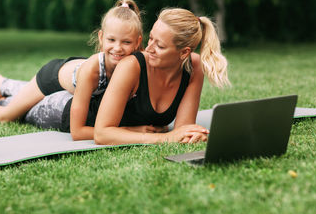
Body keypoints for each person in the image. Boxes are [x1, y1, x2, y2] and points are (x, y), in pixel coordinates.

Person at [0, 0, 143, 141]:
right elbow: (77, 132)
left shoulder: (136, 64)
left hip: (71, 78)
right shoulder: (92, 71)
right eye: (111, 40)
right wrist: (131, 132)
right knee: (6, 116)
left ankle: (1, 86)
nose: (118, 48)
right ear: (101, 38)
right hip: (52, 77)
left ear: (137, 42)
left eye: (126, 42)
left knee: (21, 107)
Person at [93, 8, 231, 145]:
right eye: (151, 38)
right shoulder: (131, 65)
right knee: (78, 71)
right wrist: (163, 138)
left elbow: (183, 130)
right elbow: (101, 134)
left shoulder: (194, 66)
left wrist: (193, 135)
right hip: (86, 103)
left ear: (184, 52)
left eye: (159, 46)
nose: (148, 48)